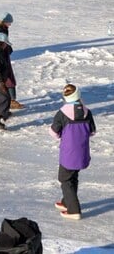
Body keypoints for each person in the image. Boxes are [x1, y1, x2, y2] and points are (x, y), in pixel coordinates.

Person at [49, 84, 96, 221]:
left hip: (68, 152)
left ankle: (74, 209)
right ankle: (66, 201)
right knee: (73, 176)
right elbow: (92, 131)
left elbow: (53, 132)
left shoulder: (62, 113)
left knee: (64, 178)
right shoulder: (87, 112)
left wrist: (60, 136)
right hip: (82, 150)